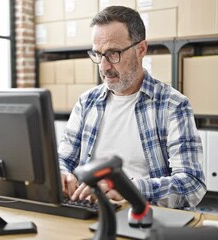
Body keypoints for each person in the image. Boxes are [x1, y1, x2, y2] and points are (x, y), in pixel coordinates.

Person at [57, 6, 206, 209]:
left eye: (113, 53)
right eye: (98, 54)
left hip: (142, 214)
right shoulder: (86, 103)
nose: (104, 66)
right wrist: (63, 175)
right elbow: (63, 159)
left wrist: (127, 188)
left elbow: (192, 185)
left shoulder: (173, 105)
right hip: (89, 209)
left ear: (141, 49)